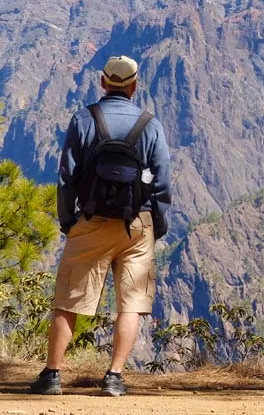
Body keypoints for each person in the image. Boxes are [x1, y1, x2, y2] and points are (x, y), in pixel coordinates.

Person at [30, 55, 172, 397]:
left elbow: (66, 178)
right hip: (137, 224)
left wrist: (69, 222)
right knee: (131, 302)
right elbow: (163, 181)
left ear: (103, 82)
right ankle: (114, 377)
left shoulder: (84, 120)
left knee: (68, 299)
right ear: (135, 85)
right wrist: (157, 224)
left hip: (91, 221)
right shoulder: (150, 125)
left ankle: (52, 375)